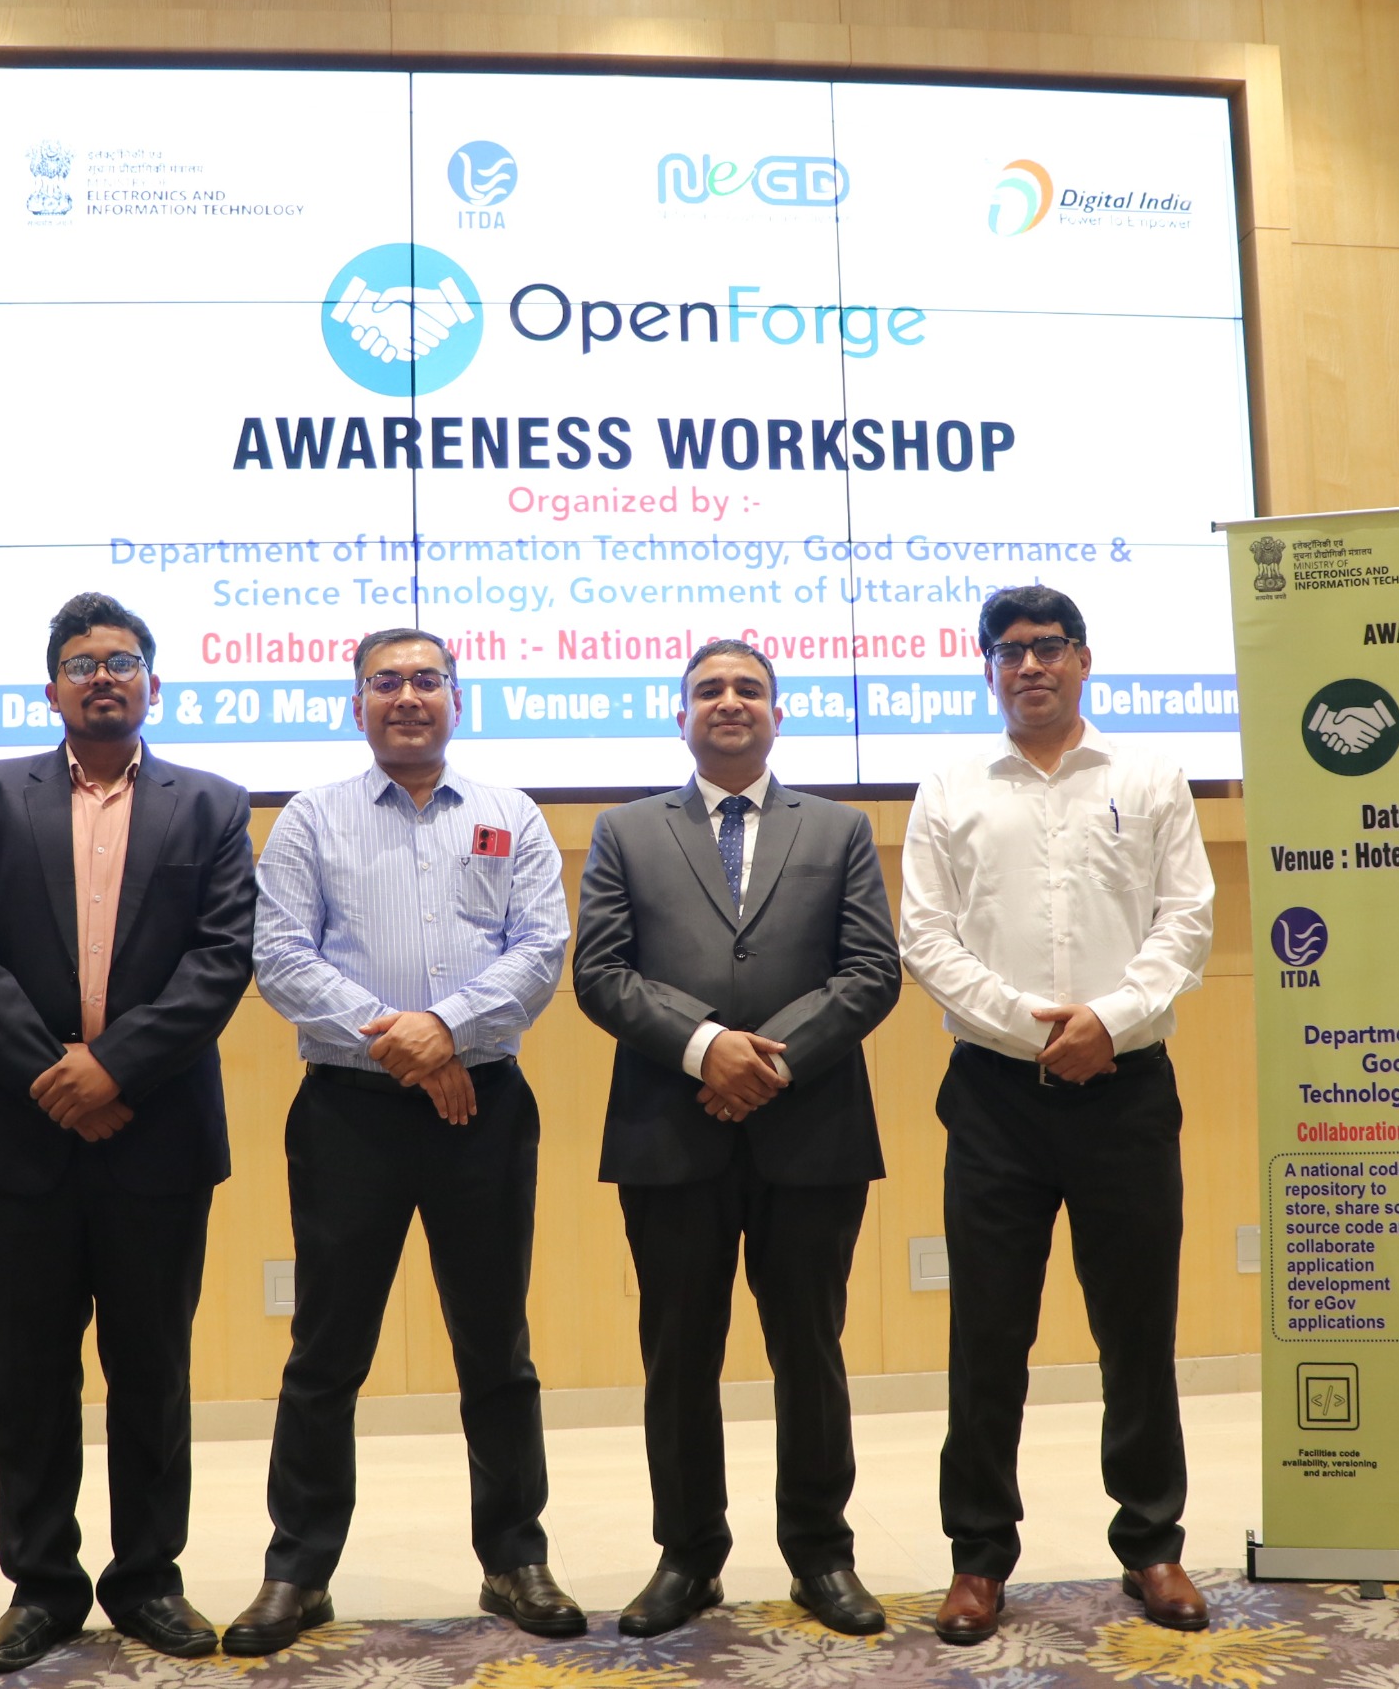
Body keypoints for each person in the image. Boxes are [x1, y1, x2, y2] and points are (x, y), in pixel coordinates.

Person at [0, 593, 259, 1671]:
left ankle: (148, 1578)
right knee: (27, 1374)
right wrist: (55, 1071)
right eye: (81, 663)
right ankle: (43, 1586)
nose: (102, 677)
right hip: (16, 1134)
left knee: (151, 1368)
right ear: (51, 688)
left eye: (121, 661)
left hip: (155, 1131)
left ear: (153, 684)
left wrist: (114, 1066)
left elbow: (222, 957)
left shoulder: (211, 804)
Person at [232, 627, 579, 1654]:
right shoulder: (312, 817)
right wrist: (411, 1047)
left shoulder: (509, 814)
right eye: (385, 682)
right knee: (325, 1349)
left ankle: (515, 1558)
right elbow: (279, 956)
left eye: (428, 679)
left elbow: (540, 950)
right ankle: (297, 1571)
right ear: (357, 705)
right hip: (349, 1112)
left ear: (458, 700)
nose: (408, 696)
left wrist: (447, 1031)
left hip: (486, 1107)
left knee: (496, 1346)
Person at [899, 584, 1217, 1643]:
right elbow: (926, 936)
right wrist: (1033, 1027)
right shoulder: (949, 785)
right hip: (995, 1097)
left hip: (1129, 1091)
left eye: (1048, 646)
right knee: (987, 1334)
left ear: (1084, 658)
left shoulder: (1149, 775)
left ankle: (1153, 1544)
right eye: (1008, 650)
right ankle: (978, 1557)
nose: (1028, 664)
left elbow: (1186, 921)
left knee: (1138, 1329)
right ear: (987, 667)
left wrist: (1109, 1021)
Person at [574, 640, 902, 1638]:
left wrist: (768, 1063)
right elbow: (600, 972)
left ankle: (822, 1555)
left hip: (813, 1134)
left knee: (811, 1350)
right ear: (680, 714)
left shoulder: (839, 827)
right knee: (679, 1356)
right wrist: (707, 1047)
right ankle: (687, 1556)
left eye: (748, 689)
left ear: (776, 713)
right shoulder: (625, 830)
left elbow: (870, 971)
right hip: (669, 1133)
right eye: (708, 689)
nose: (729, 701)